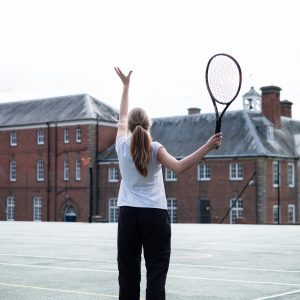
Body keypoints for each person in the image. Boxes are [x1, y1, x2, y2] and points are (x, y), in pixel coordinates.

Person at [114, 67, 222, 300]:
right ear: (148, 124)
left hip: (128, 216)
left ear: (130, 127)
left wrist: (125, 86)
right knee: (156, 275)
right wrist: (207, 146)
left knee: (128, 277)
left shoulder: (121, 146)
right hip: (154, 215)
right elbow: (180, 167)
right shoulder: (155, 148)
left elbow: (122, 117)